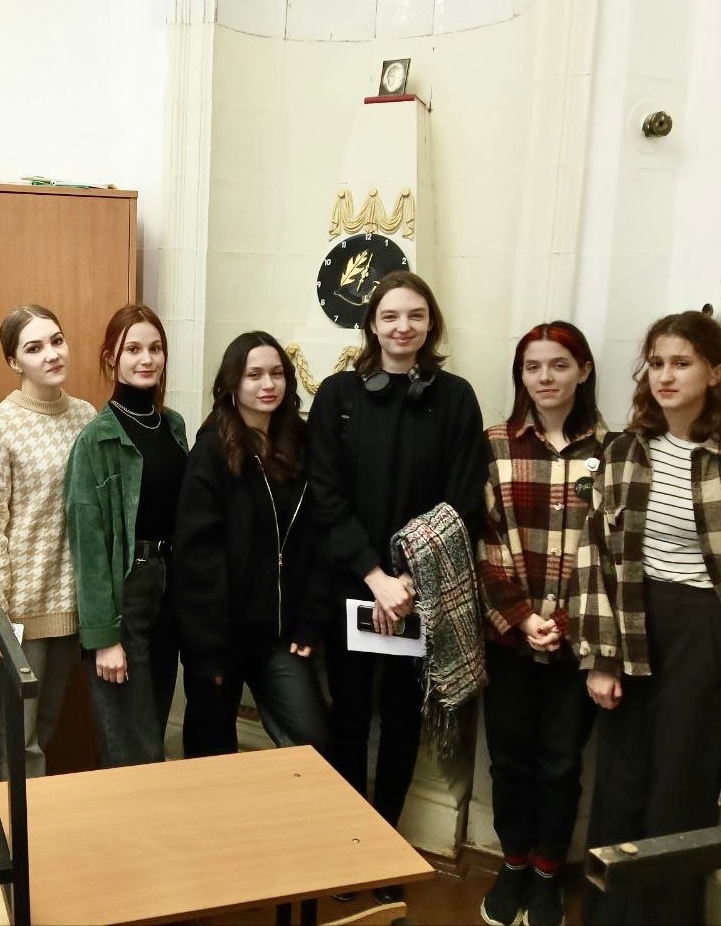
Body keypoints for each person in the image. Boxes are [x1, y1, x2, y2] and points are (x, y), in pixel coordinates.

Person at [571, 310, 721, 925]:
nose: (665, 376)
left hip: (704, 638)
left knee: (682, 793)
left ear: (715, 373)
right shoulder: (622, 451)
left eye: (681, 363)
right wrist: (600, 659)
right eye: (656, 364)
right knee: (619, 786)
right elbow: (595, 559)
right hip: (633, 627)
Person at [307, 270, 487, 904]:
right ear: (372, 325)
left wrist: (407, 581)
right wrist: (375, 578)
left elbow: (463, 501)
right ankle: (348, 841)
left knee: (405, 721)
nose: (402, 327)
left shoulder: (457, 398)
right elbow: (325, 495)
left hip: (422, 591)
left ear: (430, 323)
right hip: (354, 584)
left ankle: (383, 845)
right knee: (350, 716)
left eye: (415, 315)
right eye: (390, 316)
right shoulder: (337, 395)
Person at [476, 322, 604, 926]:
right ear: (520, 375)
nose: (545, 377)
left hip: (579, 641)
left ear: (583, 370)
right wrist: (524, 617)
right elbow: (485, 538)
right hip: (509, 636)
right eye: (533, 367)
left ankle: (549, 872)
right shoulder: (496, 444)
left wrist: (567, 620)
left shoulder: (614, 449)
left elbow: (614, 550)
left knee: (560, 762)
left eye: (559, 365)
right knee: (509, 758)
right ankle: (514, 864)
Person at [173, 331, 330, 758]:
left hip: (280, 637)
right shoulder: (211, 451)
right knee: (212, 753)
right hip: (221, 639)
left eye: (277, 374)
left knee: (315, 742)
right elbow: (196, 560)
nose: (268, 384)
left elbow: (318, 539)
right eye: (254, 375)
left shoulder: (302, 443)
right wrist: (208, 652)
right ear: (232, 383)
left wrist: (310, 621)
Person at [0, 306, 96, 777]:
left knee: (47, 727)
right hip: (20, 610)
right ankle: (14, 820)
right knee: (17, 737)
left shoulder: (86, 416)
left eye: (56, 341)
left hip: (71, 603)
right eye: (34, 347)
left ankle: (34, 814)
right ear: (14, 362)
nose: (51, 354)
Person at [65, 304, 188, 768]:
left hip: (170, 587)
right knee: (129, 741)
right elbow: (89, 544)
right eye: (133, 349)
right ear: (110, 358)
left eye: (155, 348)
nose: (147, 359)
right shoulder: (96, 440)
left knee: (153, 721)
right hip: (126, 589)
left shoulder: (173, 426)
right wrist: (103, 637)